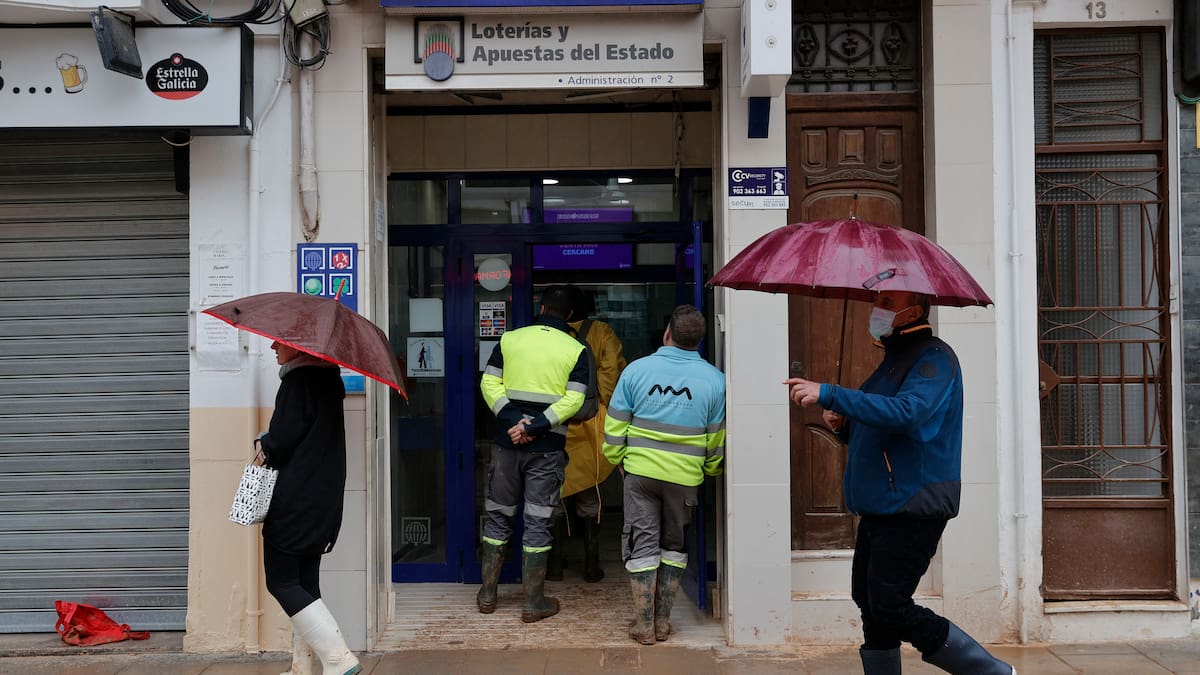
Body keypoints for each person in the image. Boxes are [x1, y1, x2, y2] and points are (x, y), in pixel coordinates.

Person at [784, 290, 1014, 675]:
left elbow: (910, 413)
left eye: (889, 304)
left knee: (890, 602)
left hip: (912, 502)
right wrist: (844, 425)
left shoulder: (935, 358)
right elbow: (882, 426)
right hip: (881, 503)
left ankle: (989, 671)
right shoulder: (891, 361)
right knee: (869, 599)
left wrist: (830, 393)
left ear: (915, 311)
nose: (877, 310)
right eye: (878, 301)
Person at [603, 305, 725, 645]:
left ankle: (643, 626)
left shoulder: (637, 371)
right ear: (699, 341)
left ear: (667, 333)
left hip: (640, 473)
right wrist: (710, 468)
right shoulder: (716, 381)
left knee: (641, 543)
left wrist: (617, 458)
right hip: (685, 477)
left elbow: (615, 424)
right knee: (674, 545)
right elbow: (716, 436)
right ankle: (662, 622)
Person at [477, 285, 590, 623]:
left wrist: (515, 421)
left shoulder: (510, 339)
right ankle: (533, 602)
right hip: (546, 449)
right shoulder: (576, 349)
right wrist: (536, 425)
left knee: (498, 515)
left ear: (541, 308)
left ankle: (487, 594)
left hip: (506, 445)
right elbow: (575, 400)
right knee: (538, 521)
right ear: (571, 316)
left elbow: (488, 384)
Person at [257, 341, 360, 675]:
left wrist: (264, 441)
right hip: (323, 501)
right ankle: (301, 667)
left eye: (281, 342)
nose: (273, 345)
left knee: (281, 582)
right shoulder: (329, 382)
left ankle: (338, 658)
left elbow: (282, 442)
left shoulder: (298, 383)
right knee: (305, 585)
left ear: (299, 348)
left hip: (294, 501)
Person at [547, 285, 627, 583]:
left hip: (554, 423)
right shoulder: (602, 332)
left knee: (553, 495)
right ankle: (592, 567)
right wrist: (598, 407)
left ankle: (554, 568)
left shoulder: (548, 335)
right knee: (589, 495)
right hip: (591, 425)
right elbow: (611, 373)